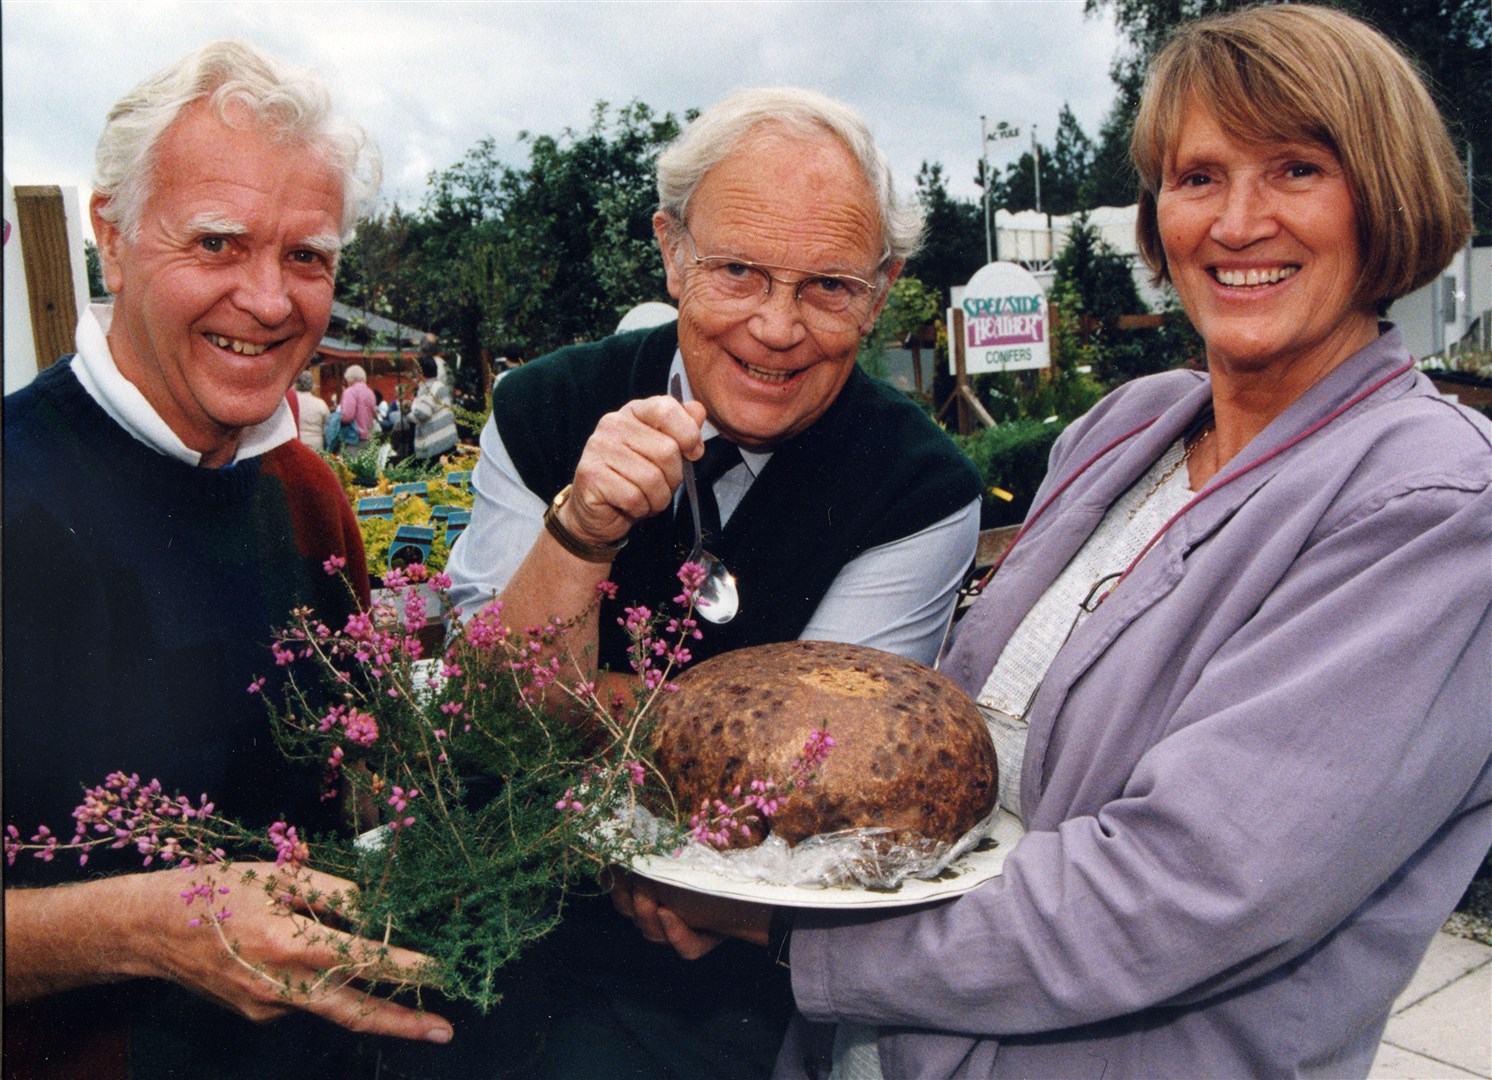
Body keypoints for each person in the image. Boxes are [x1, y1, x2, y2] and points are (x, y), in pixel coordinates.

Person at [615, 8, 1491, 1079]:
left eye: (1296, 169)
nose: (1236, 221)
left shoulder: (1434, 502)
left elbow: (1187, 894)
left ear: (1386, 198)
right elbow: (960, 740)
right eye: (1197, 177)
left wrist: (790, 931)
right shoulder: (1131, 425)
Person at [445, 87, 983, 1079]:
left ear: (883, 287)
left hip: (729, 985)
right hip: (495, 924)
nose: (776, 329)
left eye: (827, 287)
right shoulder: (543, 409)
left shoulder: (919, 487)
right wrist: (583, 528)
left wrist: (604, 719)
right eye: (736, 271)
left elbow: (820, 779)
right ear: (670, 253)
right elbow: (491, 722)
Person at [2, 40, 454, 1078]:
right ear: (109, 241)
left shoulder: (304, 494)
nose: (269, 299)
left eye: (308, 257)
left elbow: (361, 785)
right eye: (218, 243)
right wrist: (143, 927)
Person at [409, 353, 458, 460]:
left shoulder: (428, 388)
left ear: (421, 373)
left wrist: (409, 413)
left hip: (436, 446)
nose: (414, 376)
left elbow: (422, 414)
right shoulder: (439, 385)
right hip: (447, 440)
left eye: (415, 372)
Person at [338, 362, 377, 451]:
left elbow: (347, 416)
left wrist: (336, 418)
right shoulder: (370, 392)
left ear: (350, 378)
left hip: (353, 438)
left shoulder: (350, 391)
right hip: (367, 436)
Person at [294, 368, 331, 450]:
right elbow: (327, 425)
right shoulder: (320, 403)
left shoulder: (292, 402)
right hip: (316, 442)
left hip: (297, 442)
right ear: (312, 384)